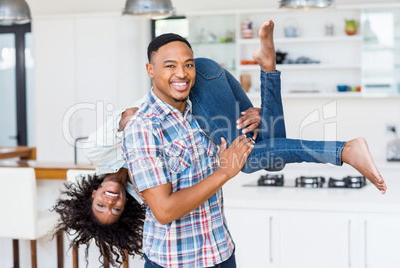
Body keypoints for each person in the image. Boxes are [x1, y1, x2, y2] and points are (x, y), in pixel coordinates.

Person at [54, 19, 387, 267]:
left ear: (92, 192)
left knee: (254, 159)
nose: (112, 201)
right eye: (116, 210)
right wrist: (242, 133)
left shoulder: (134, 131)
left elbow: (118, 128)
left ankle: (343, 149)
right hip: (215, 254)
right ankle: (268, 66)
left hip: (205, 81)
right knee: (268, 149)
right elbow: (165, 210)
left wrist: (125, 119)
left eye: (101, 204)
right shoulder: (148, 155)